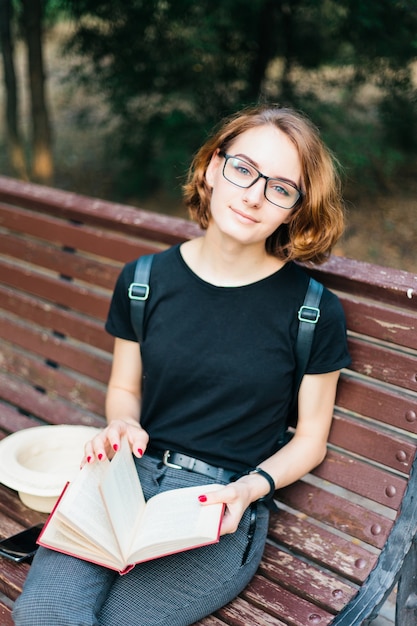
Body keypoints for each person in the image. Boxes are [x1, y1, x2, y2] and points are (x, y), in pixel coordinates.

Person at [13, 103, 350, 626]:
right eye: (244, 169)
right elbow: (125, 388)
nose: (254, 195)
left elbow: (310, 440)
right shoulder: (144, 280)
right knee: (41, 616)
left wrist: (248, 489)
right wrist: (121, 422)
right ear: (214, 168)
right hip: (123, 483)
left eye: (281, 188)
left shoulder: (312, 310)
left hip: (218, 505)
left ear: (295, 209)